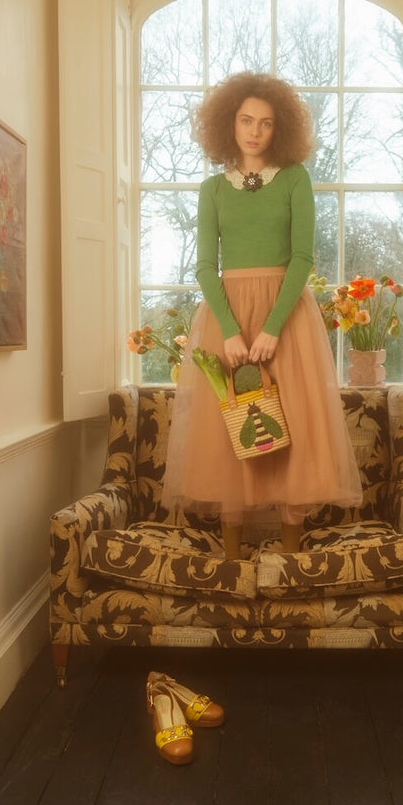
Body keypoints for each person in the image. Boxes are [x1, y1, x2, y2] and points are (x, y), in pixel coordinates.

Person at [161, 71, 362, 558]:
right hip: (227, 317)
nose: (254, 131)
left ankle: (290, 564)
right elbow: (205, 266)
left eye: (266, 123)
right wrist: (231, 333)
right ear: (228, 123)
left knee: (292, 428)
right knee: (229, 430)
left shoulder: (296, 179)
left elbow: (302, 259)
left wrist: (272, 327)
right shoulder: (212, 189)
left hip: (286, 318)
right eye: (246, 120)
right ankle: (232, 564)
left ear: (281, 129)